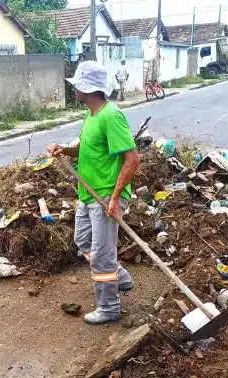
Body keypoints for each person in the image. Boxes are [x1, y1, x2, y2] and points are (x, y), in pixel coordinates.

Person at [47, 60, 139, 325]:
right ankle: (120, 277)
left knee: (101, 255)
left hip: (105, 196)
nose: (74, 90)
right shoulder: (90, 115)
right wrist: (64, 149)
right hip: (88, 194)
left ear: (88, 89)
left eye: (77, 86)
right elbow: (85, 150)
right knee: (83, 242)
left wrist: (115, 198)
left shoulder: (111, 116)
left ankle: (109, 308)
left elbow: (132, 159)